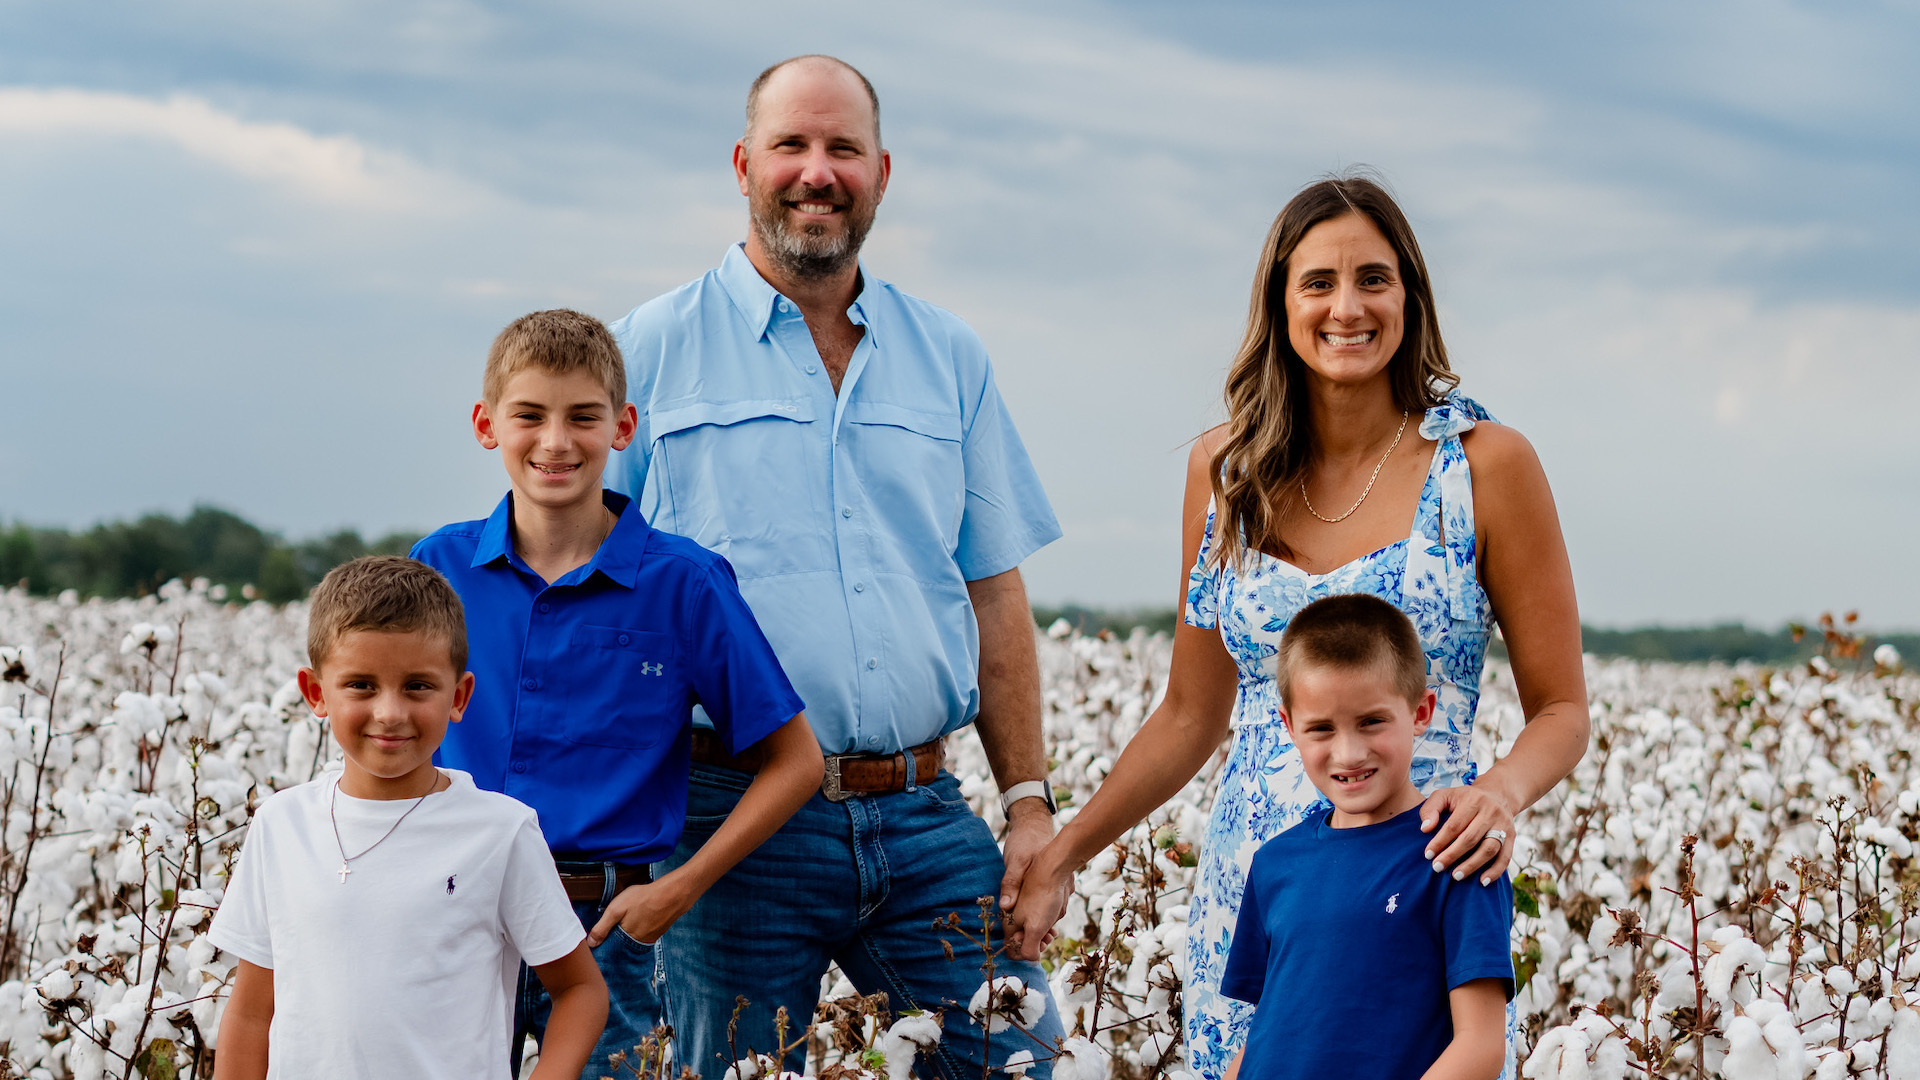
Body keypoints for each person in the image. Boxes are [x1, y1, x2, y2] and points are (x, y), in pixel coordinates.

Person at [1007, 173, 1588, 1080]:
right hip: (1256, 891)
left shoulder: (1487, 466)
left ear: (1411, 296)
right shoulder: (1226, 468)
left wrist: (1499, 796)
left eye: (1373, 279)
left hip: (1414, 877)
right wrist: (1067, 850)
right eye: (1318, 282)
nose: (1346, 307)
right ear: (1281, 304)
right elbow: (1192, 714)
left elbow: (1562, 708)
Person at [605, 54, 1065, 1080]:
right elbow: (588, 589)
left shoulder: (949, 356)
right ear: (743, 164)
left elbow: (991, 589)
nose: (818, 172)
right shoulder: (648, 351)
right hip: (733, 817)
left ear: (882, 174)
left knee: (1019, 1060)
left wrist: (1028, 801)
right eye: (792, 146)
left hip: (924, 811)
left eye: (843, 149)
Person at [410, 309, 824, 1079]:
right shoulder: (440, 565)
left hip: (605, 930)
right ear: (486, 424)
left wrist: (680, 886)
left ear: (624, 426)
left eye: (583, 418)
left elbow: (796, 761)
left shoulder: (684, 582)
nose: (556, 442)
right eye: (529, 415)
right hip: (453, 910)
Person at [209, 555, 609, 1080]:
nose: (390, 713)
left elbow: (580, 990)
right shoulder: (281, 824)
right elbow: (252, 1010)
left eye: (418, 686)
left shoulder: (500, 832)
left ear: (459, 696)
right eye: (361, 685)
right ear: (315, 693)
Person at [1217, 593, 1512, 1080]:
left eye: (1371, 722)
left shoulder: (1458, 851)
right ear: (1288, 726)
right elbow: (1269, 1032)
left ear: (1421, 712)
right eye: (1321, 729)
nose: (1348, 753)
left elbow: (1480, 1048)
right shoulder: (1275, 862)